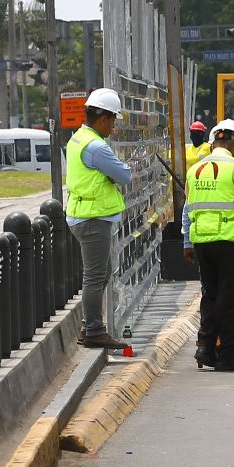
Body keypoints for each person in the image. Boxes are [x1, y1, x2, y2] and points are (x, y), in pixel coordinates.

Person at [185, 118, 234, 373]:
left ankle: (205, 347)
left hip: (202, 242)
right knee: (229, 299)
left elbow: (189, 205)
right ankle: (226, 354)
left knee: (210, 295)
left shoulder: (194, 169)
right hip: (230, 241)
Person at [65, 87, 132, 351]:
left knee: (101, 273)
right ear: (103, 118)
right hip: (92, 218)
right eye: (113, 120)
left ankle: (89, 326)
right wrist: (114, 173)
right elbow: (125, 175)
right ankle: (93, 330)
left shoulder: (78, 138)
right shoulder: (96, 147)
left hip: (84, 214)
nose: (113, 126)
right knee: (95, 276)